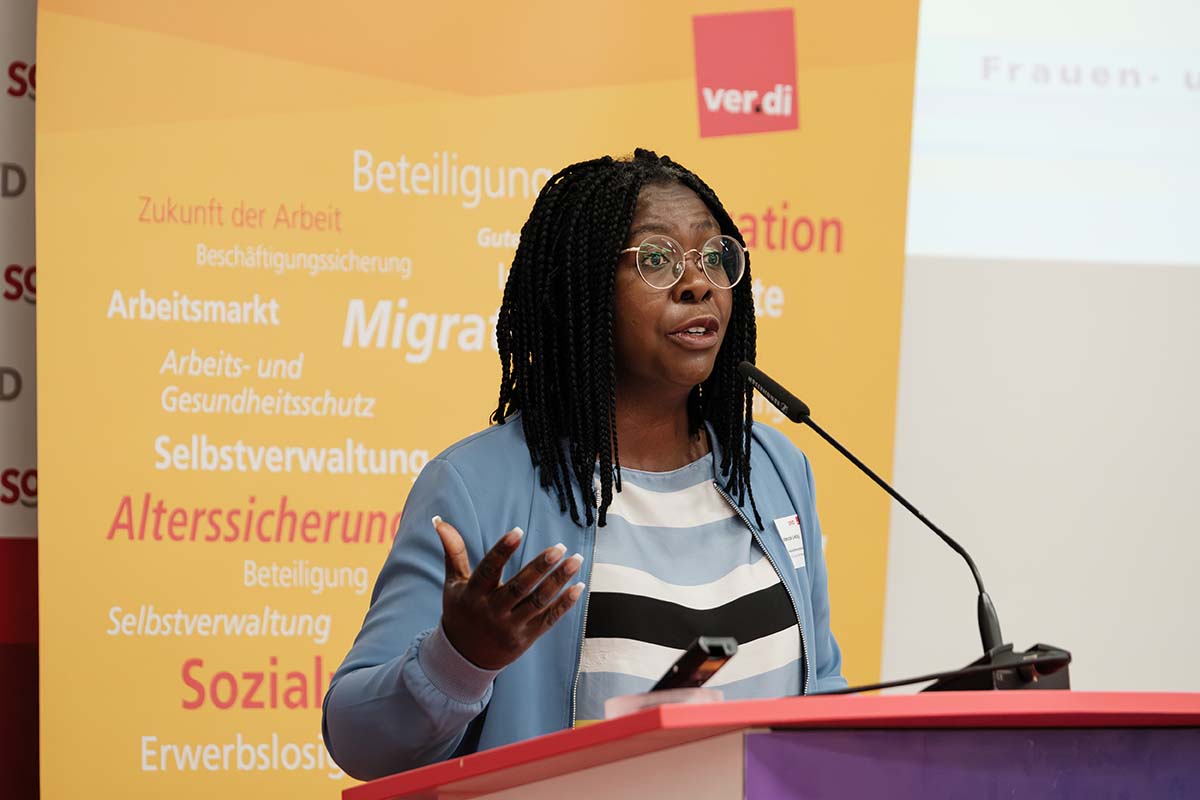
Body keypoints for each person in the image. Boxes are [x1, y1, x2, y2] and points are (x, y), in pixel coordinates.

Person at [322, 148, 846, 780]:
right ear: (582, 288)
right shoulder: (478, 487)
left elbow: (821, 683)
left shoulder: (772, 467)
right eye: (656, 258)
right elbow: (357, 741)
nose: (698, 283)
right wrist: (459, 659)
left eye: (714, 256)